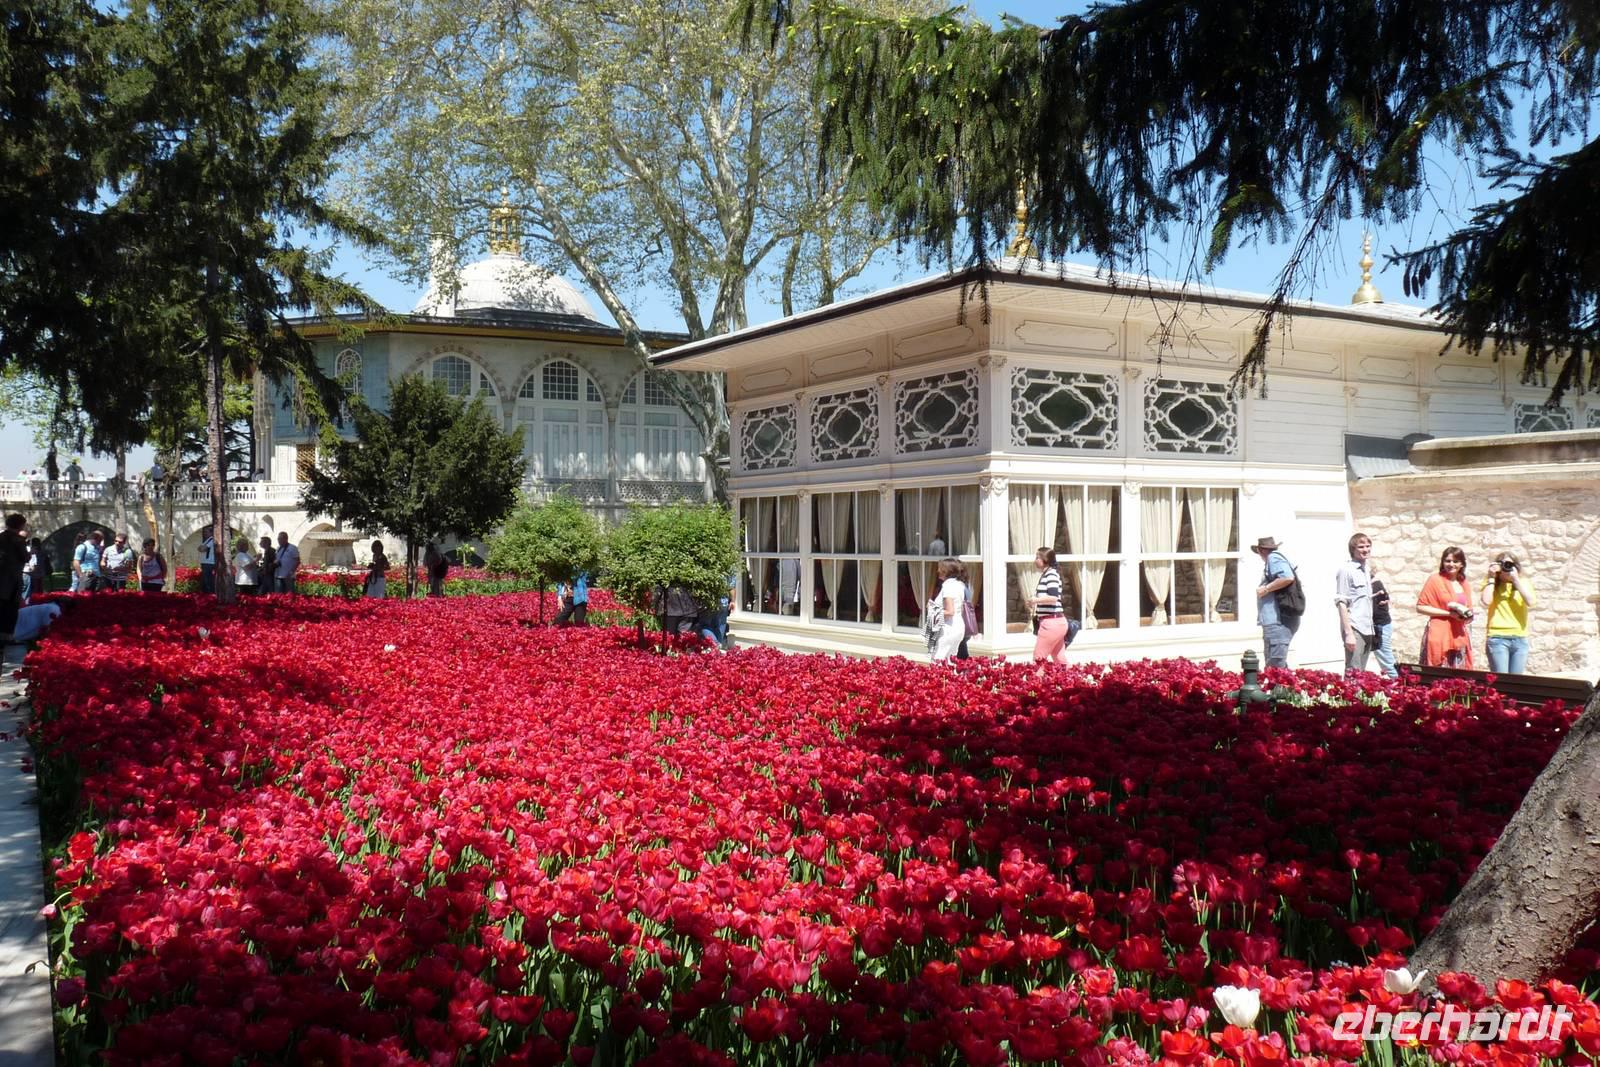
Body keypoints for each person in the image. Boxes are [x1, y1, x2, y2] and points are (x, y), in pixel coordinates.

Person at [1417, 545, 1474, 668]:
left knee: (1458, 676)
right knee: (1439, 672)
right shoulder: (1435, 580)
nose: (1451, 564)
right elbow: (1420, 607)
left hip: (1459, 635)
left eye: (1455, 561)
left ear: (1462, 564)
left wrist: (1467, 617)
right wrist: (1449, 614)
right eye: (1447, 561)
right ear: (1443, 563)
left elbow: (1469, 609)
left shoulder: (1464, 584)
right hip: (1439, 634)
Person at [1481, 553, 1536, 674]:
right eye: (1503, 564)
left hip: (1520, 638)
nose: (1506, 567)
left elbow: (1531, 602)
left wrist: (1516, 580)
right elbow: (1486, 601)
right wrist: (1491, 577)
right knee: (1501, 681)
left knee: (1516, 683)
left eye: (1510, 564)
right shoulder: (1491, 583)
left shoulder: (1523, 583)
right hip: (1497, 638)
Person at [1252, 536, 1300, 669]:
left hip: (1277, 621)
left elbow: (1287, 577)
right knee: (1276, 666)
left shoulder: (1273, 558)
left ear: (1261, 551)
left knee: (1275, 668)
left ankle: (1279, 690)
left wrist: (1266, 589)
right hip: (1276, 621)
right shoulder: (1275, 559)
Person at [1333, 532, 1376, 673]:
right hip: (1355, 626)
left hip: (1367, 627)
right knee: (1353, 672)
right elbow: (1341, 602)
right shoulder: (1346, 570)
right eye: (1361, 546)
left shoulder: (1366, 569)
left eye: (1368, 546)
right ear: (1353, 549)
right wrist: (1348, 633)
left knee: (1362, 674)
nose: (1365, 550)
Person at [1031, 547, 1074, 663]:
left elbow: (1053, 597)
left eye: (1037, 557)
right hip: (1054, 622)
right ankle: (1069, 680)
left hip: (1051, 623)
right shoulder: (1047, 574)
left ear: (1045, 560)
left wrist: (1036, 600)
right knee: (1059, 658)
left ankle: (1035, 681)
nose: (1035, 560)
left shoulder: (1051, 575)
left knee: (1038, 658)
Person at [926, 558, 967, 663]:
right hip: (958, 626)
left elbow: (949, 611)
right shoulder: (960, 584)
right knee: (950, 660)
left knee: (938, 660)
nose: (938, 571)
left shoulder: (948, 586)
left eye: (941, 568)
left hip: (948, 628)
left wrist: (932, 609)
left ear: (947, 571)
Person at [1368, 558, 1399, 679]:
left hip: (1380, 626)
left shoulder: (1375, 585)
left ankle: (1399, 685)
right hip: (1379, 625)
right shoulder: (1373, 584)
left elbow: (1377, 610)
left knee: (1386, 661)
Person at [0, 514, 27, 640]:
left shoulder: (1, 537)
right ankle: (7, 636)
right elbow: (25, 557)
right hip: (12, 580)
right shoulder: (18, 540)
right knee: (10, 611)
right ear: (20, 525)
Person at [955, 561, 975, 660]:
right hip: (964, 625)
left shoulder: (958, 587)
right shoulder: (965, 585)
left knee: (961, 654)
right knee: (962, 650)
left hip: (960, 623)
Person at [22, 536, 46, 605]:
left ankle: (34, 603)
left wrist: (29, 570)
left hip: (34, 574)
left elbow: (34, 565)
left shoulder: (33, 552)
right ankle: (39, 602)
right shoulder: (41, 551)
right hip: (39, 574)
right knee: (38, 590)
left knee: (33, 591)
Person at [199, 525, 216, 594]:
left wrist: (202, 548)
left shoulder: (212, 540)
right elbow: (199, 548)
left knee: (208, 581)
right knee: (204, 581)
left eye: (206, 532)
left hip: (209, 563)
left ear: (211, 533)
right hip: (205, 563)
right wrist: (202, 548)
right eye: (204, 532)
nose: (205, 533)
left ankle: (210, 594)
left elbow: (202, 548)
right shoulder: (207, 540)